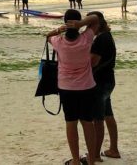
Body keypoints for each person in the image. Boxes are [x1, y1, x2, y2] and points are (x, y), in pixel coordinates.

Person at [46, 11, 100, 165]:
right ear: (77, 24)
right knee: (87, 123)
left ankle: (75, 160)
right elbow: (96, 19)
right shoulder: (86, 38)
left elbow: (47, 36)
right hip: (87, 87)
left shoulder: (59, 41)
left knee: (71, 123)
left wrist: (59, 29)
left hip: (66, 88)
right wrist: (81, 24)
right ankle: (91, 160)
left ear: (65, 22)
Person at [88, 11, 120, 160]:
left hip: (100, 81)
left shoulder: (101, 39)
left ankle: (94, 154)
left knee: (97, 119)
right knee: (108, 114)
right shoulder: (107, 36)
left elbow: (93, 61)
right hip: (108, 79)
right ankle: (113, 148)